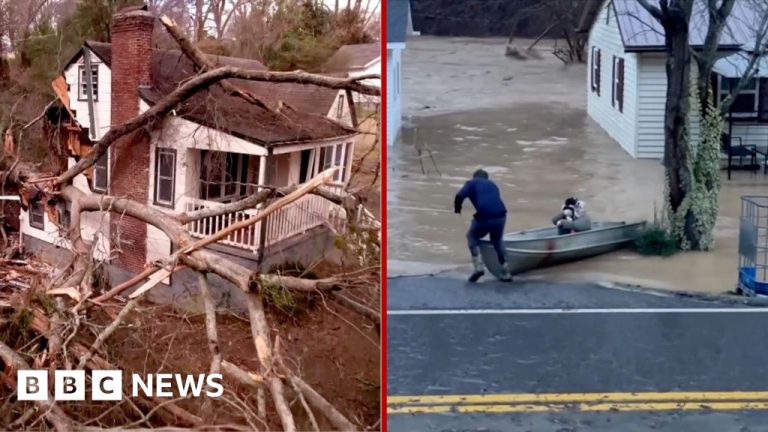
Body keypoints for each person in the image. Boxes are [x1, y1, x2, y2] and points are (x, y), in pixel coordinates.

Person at [454, 169, 512, 282]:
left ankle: (478, 267)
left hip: (485, 216)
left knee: (472, 236)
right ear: (486, 178)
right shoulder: (493, 184)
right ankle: (506, 271)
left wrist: (457, 209)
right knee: (497, 240)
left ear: (474, 176)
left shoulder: (471, 183)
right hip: (501, 215)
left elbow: (459, 196)